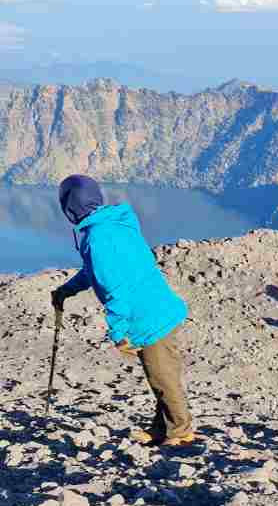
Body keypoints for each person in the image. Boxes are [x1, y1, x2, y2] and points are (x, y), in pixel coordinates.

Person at [49, 175, 194, 447]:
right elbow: (95, 271)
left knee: (162, 376)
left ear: (70, 207)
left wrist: (119, 331)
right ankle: (163, 429)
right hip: (160, 306)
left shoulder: (97, 237)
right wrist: (67, 289)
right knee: (162, 375)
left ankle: (181, 434)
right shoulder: (114, 223)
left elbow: (115, 286)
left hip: (148, 317)